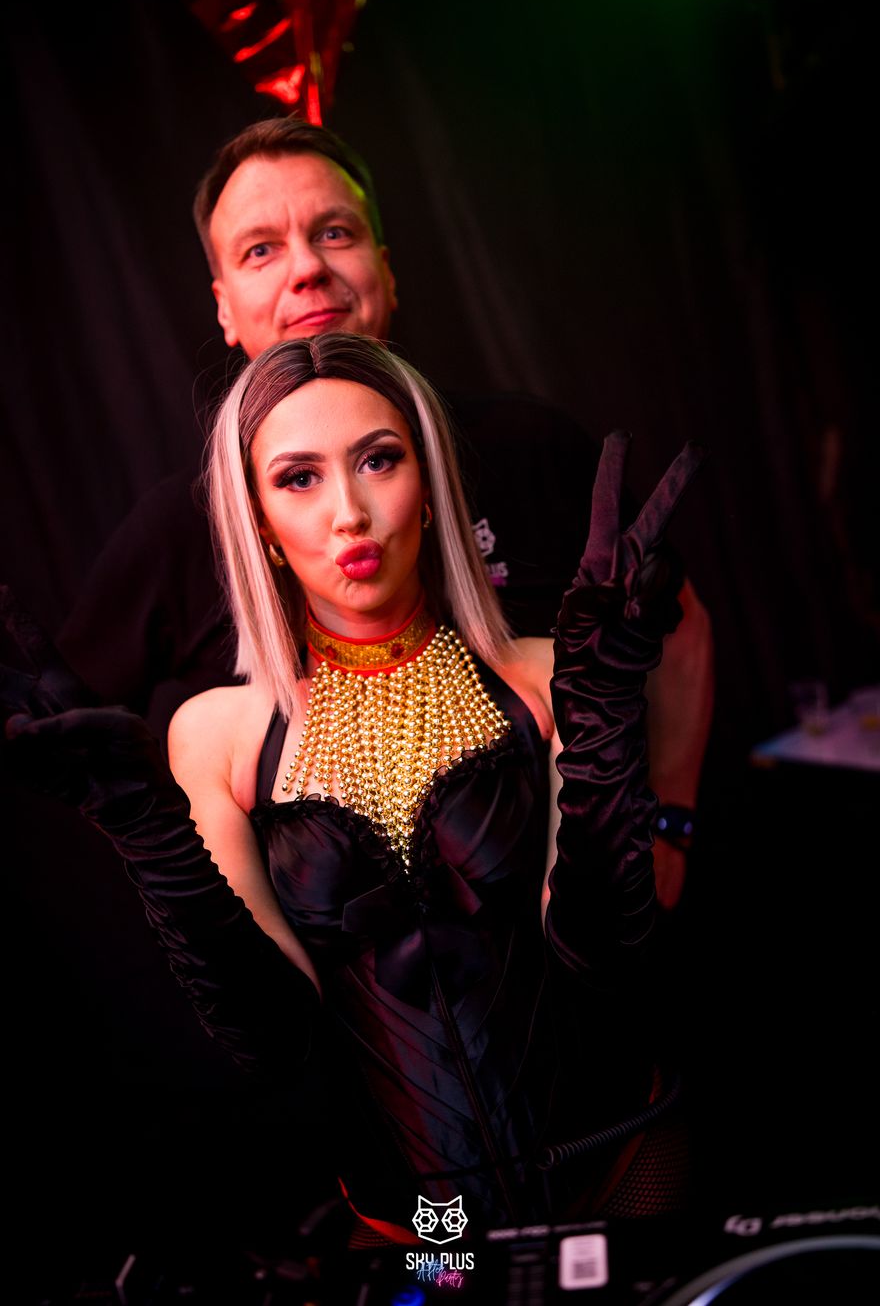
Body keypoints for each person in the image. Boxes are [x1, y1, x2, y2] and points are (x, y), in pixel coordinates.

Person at [2, 332, 705, 1240]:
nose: (349, 513)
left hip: (626, 1163)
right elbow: (274, 1039)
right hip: (425, 1228)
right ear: (258, 520)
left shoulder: (544, 677)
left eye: (379, 460)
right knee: (442, 1293)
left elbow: (601, 953)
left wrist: (602, 716)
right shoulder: (217, 736)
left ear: (430, 484)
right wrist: (144, 831)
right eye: (299, 478)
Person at [57, 116, 714, 912]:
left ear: (386, 271)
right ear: (224, 306)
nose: (307, 267)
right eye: (261, 250)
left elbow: (678, 632)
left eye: (334, 232)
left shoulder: (530, 446)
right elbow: (75, 734)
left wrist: (668, 822)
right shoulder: (177, 531)